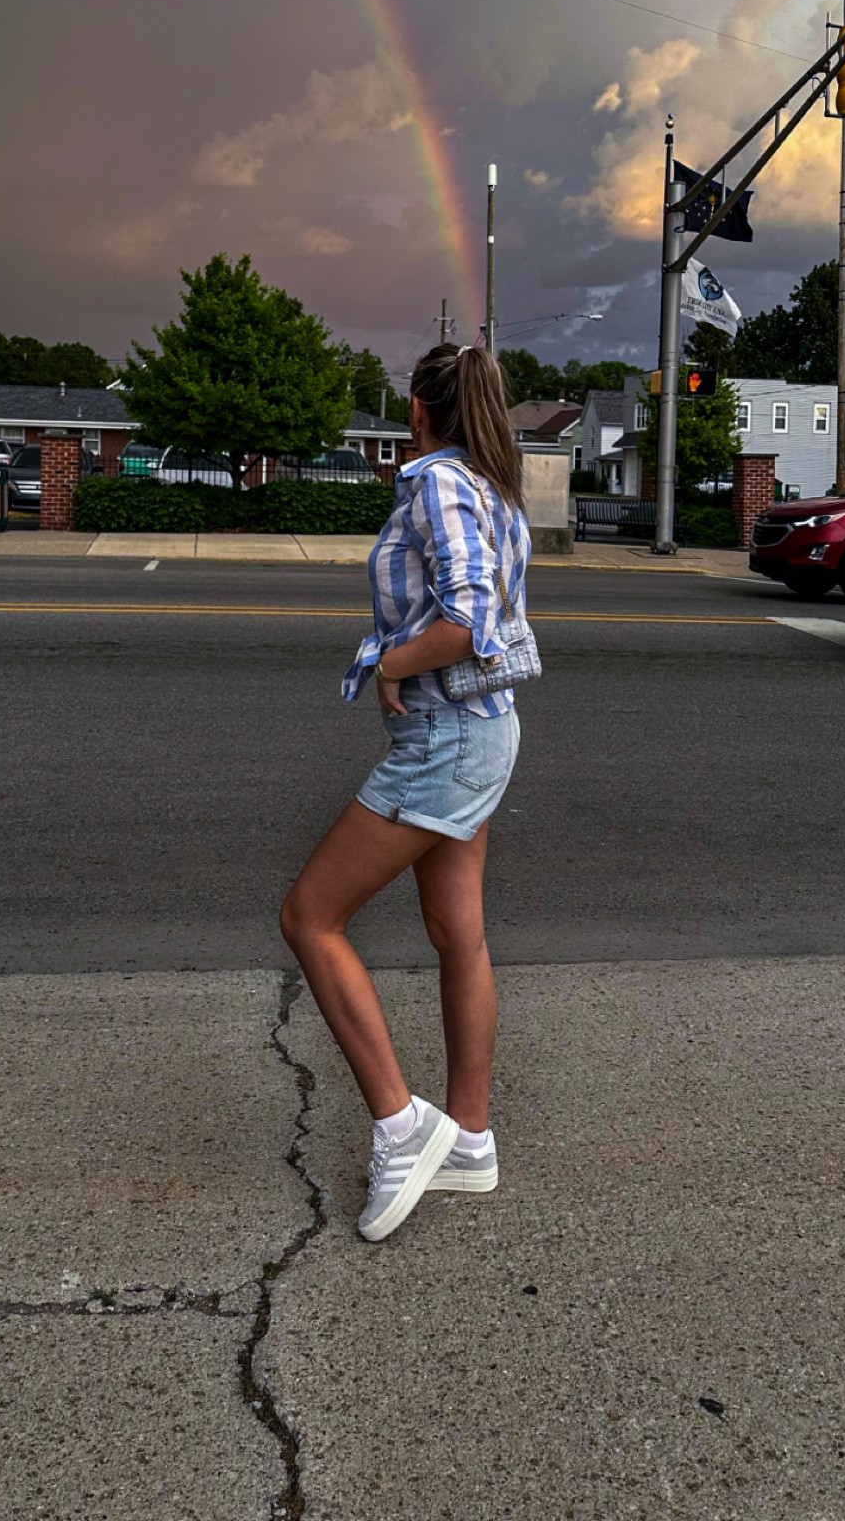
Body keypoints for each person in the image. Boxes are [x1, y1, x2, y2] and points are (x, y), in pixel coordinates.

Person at [280, 340, 531, 1242]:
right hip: (484, 731)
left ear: (419, 411)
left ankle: (401, 1123)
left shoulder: (436, 483)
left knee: (311, 916)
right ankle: (469, 1141)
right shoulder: (494, 484)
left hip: (448, 734)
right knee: (457, 932)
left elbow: (469, 622)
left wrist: (389, 659)